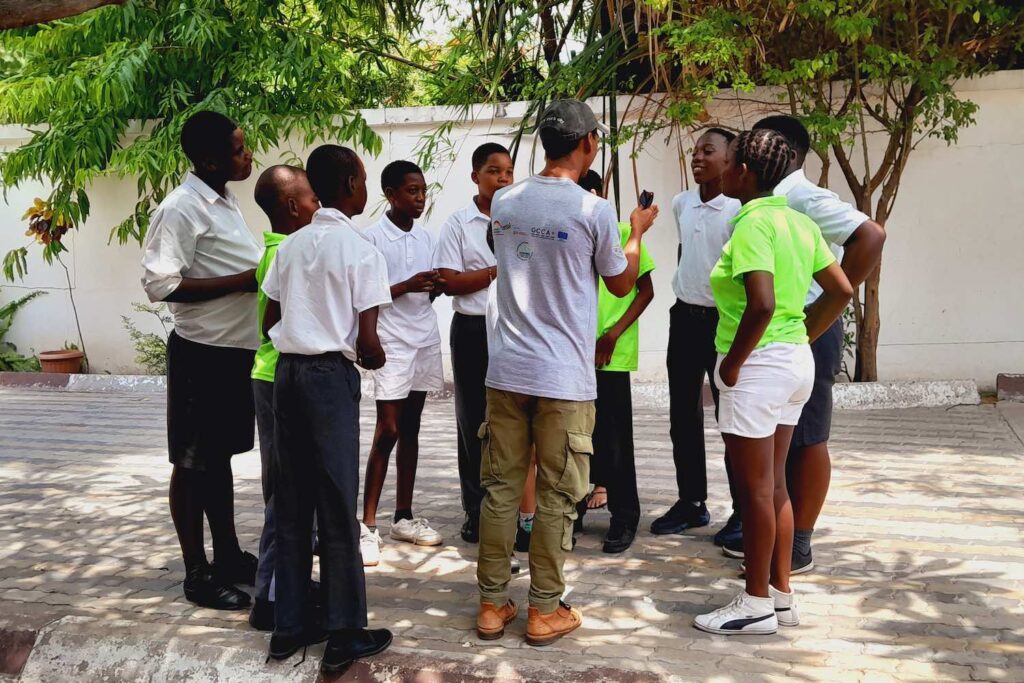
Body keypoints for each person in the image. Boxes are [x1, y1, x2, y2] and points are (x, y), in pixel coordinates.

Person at [475, 99, 658, 646]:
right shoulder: (592, 210)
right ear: (588, 144)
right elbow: (622, 282)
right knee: (557, 494)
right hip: (561, 377)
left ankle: (491, 605)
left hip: (506, 369)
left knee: (501, 490)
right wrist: (638, 230)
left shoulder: (504, 199)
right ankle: (544, 610)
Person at [693, 129, 853, 635]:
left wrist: (732, 364)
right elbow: (842, 289)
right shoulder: (799, 223)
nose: (724, 170)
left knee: (755, 490)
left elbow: (760, 301)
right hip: (792, 363)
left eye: (731, 163)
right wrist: (802, 334)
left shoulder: (752, 226)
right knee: (777, 486)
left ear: (745, 173)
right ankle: (782, 597)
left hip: (757, 368)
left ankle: (755, 603)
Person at [716, 116, 886, 572]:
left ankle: (794, 547)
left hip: (787, 335)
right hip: (787, 337)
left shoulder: (799, 200)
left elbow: (871, 235)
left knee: (805, 443)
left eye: (736, 157)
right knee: (771, 469)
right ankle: (774, 564)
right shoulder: (770, 207)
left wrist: (815, 320)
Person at [261, 145, 393, 673]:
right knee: (338, 504)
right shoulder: (360, 250)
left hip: (287, 376)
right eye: (361, 179)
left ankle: (288, 627)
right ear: (349, 184)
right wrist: (372, 352)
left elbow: (267, 316)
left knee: (291, 503)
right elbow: (368, 342)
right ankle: (345, 632)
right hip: (328, 380)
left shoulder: (290, 247)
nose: (364, 189)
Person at [141, 110, 259, 610]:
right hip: (201, 357)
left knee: (220, 458)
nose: (248, 154)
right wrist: (246, 280)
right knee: (192, 464)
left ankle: (227, 554)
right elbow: (160, 284)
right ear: (208, 159)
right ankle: (197, 574)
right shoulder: (182, 207)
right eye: (237, 150)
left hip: (235, 355)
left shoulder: (225, 202)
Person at [433, 143, 535, 572]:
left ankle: (519, 513)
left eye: (509, 171)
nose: (503, 178)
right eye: (494, 171)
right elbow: (449, 281)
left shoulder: (522, 220)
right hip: (473, 330)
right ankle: (477, 510)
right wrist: (497, 271)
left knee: (515, 421)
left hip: (513, 330)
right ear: (476, 176)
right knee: (473, 420)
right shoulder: (459, 223)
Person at [651, 128, 744, 547]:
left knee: (733, 420)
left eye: (709, 151)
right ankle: (692, 503)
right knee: (682, 416)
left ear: (730, 159)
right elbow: (687, 255)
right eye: (695, 151)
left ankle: (743, 510)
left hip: (724, 322)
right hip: (684, 319)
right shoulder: (681, 203)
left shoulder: (740, 209)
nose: (698, 158)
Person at [359, 160, 444, 564]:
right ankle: (367, 524)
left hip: (423, 336)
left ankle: (404, 516)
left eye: (423, 191)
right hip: (391, 339)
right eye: (412, 191)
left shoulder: (427, 237)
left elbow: (429, 288)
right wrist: (406, 286)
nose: (420, 198)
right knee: (387, 429)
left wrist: (434, 287)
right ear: (390, 195)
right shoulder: (372, 238)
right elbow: (366, 294)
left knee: (411, 427)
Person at [247, 165, 320, 631]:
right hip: (280, 378)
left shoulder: (283, 249)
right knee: (286, 493)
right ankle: (269, 597)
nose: (318, 206)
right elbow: (274, 326)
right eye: (311, 198)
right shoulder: (285, 254)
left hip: (277, 378)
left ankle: (286, 583)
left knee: (293, 488)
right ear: (292, 206)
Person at [575, 170, 655, 554]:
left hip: (611, 354)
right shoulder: (568, 233)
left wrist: (613, 334)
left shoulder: (623, 234)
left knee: (615, 440)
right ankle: (572, 511)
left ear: (600, 194)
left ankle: (625, 517)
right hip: (574, 355)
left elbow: (644, 291)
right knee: (576, 439)